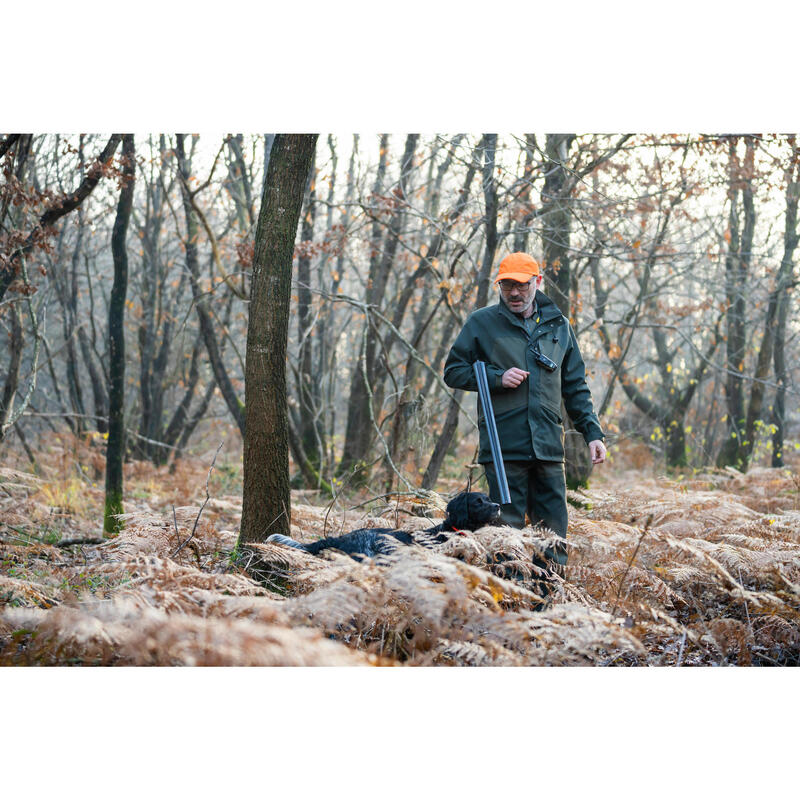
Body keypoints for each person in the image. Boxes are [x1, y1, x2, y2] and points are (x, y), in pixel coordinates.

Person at [443, 252, 606, 600]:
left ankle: (551, 603)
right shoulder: (482, 323)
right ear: (499, 286)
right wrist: (497, 377)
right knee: (507, 533)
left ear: (538, 283)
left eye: (521, 285)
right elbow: (453, 371)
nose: (514, 293)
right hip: (504, 449)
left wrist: (592, 433)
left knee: (553, 534)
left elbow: (575, 386)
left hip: (549, 446)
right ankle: (511, 602)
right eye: (507, 286)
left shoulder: (559, 326)